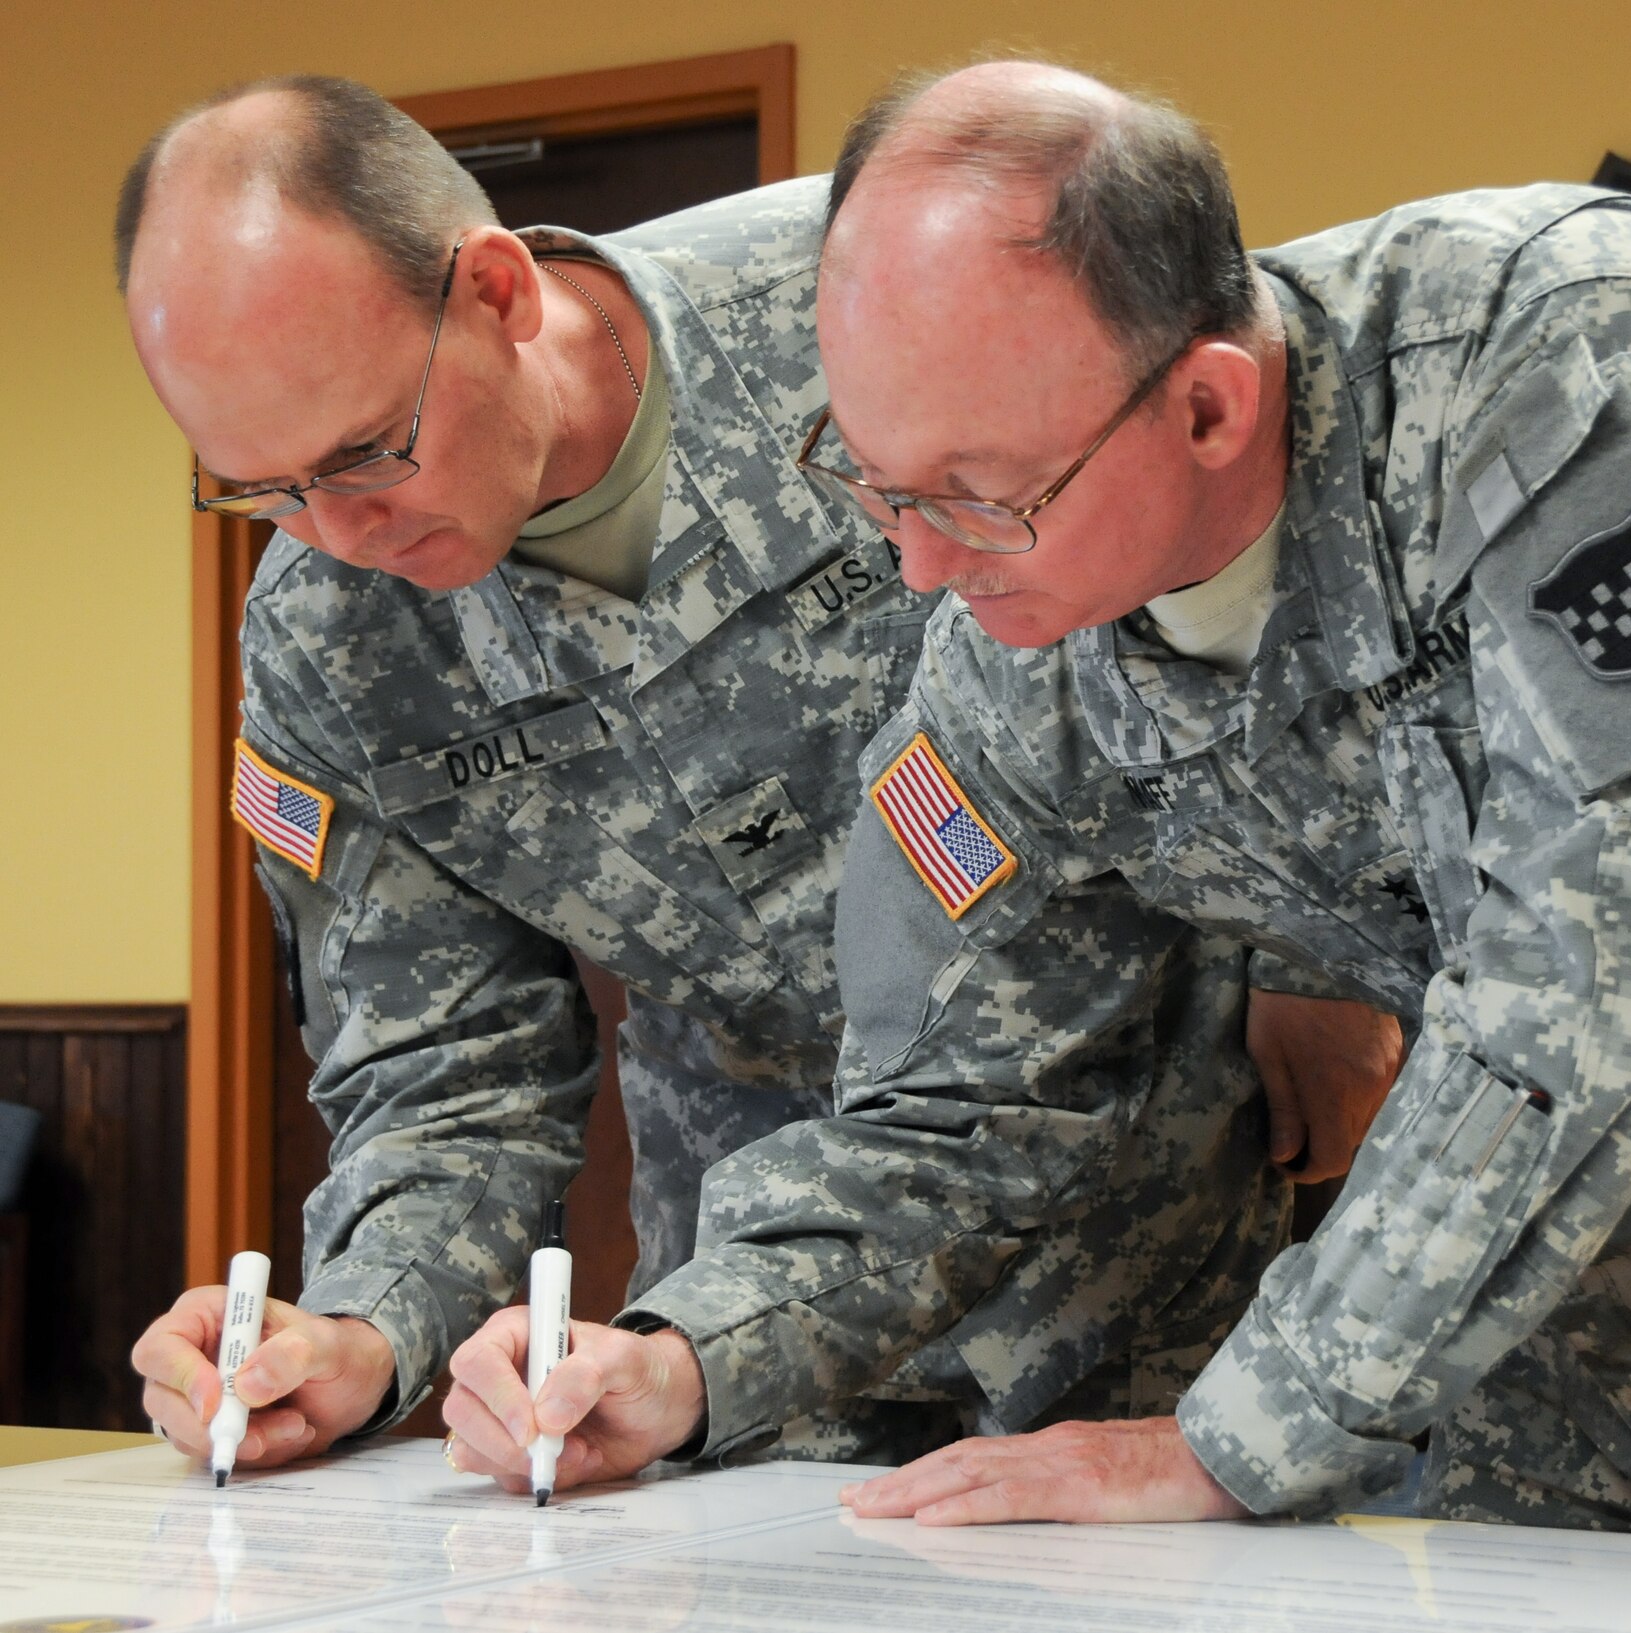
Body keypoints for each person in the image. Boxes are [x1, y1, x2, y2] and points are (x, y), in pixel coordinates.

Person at [472, 61, 1631, 1554]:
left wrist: (1237, 1429)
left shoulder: (1555, 361)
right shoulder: (1013, 661)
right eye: (877, 490)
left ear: (1208, 406)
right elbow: (968, 1102)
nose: (925, 569)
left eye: (979, 492)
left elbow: (1611, 959)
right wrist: (689, 1353)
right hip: (1569, 1371)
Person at [117, 75, 1397, 1489]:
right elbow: (440, 1068)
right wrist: (360, 1329)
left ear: (494, 291)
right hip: (749, 1311)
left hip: (1156, 1201)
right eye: (264, 489)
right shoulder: (321, 637)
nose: (339, 532)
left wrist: (1319, 946)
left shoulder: (876, 295)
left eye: (366, 451)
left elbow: (1222, 500)